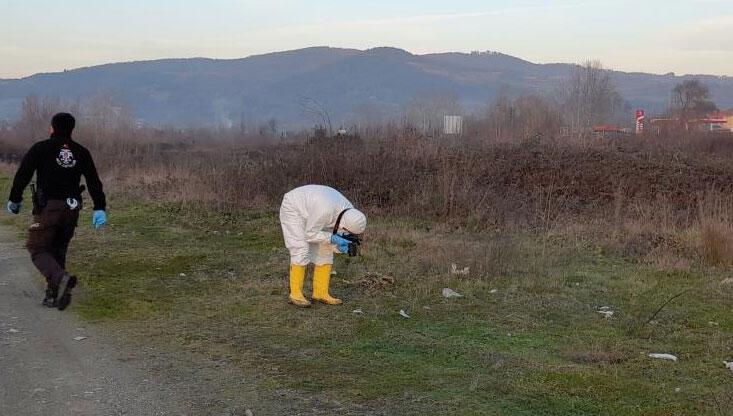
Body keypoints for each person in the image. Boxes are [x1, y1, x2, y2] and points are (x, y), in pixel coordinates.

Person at [6, 112, 107, 310]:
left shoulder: (41, 148)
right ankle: (53, 296)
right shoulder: (81, 151)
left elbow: (23, 175)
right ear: (72, 129)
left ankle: (61, 279)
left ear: (52, 128)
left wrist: (15, 199)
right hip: (72, 209)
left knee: (37, 248)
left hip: (49, 208)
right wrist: (99, 207)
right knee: (58, 250)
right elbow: (94, 182)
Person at [279, 185, 367, 307]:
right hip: (294, 208)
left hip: (318, 211)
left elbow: (334, 235)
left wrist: (338, 247)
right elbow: (310, 234)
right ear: (344, 225)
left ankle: (320, 293)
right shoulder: (326, 211)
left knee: (325, 249)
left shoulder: (350, 214)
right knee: (301, 249)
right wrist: (332, 238)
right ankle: (295, 294)